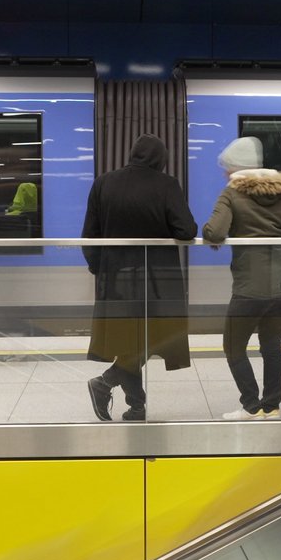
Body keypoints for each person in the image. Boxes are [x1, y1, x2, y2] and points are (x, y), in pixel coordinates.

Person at [83, 134, 196, 422]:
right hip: (157, 279)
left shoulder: (103, 183)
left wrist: (100, 269)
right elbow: (186, 230)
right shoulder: (167, 185)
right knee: (155, 338)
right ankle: (106, 382)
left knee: (129, 340)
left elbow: (89, 236)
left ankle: (136, 406)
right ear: (161, 159)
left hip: (115, 278)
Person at [202, 137, 281, 421]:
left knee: (233, 346)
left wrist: (217, 233)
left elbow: (215, 232)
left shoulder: (232, 193)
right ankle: (272, 407)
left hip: (250, 288)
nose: (224, 174)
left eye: (227, 168)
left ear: (237, 169)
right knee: (271, 346)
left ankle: (251, 405)